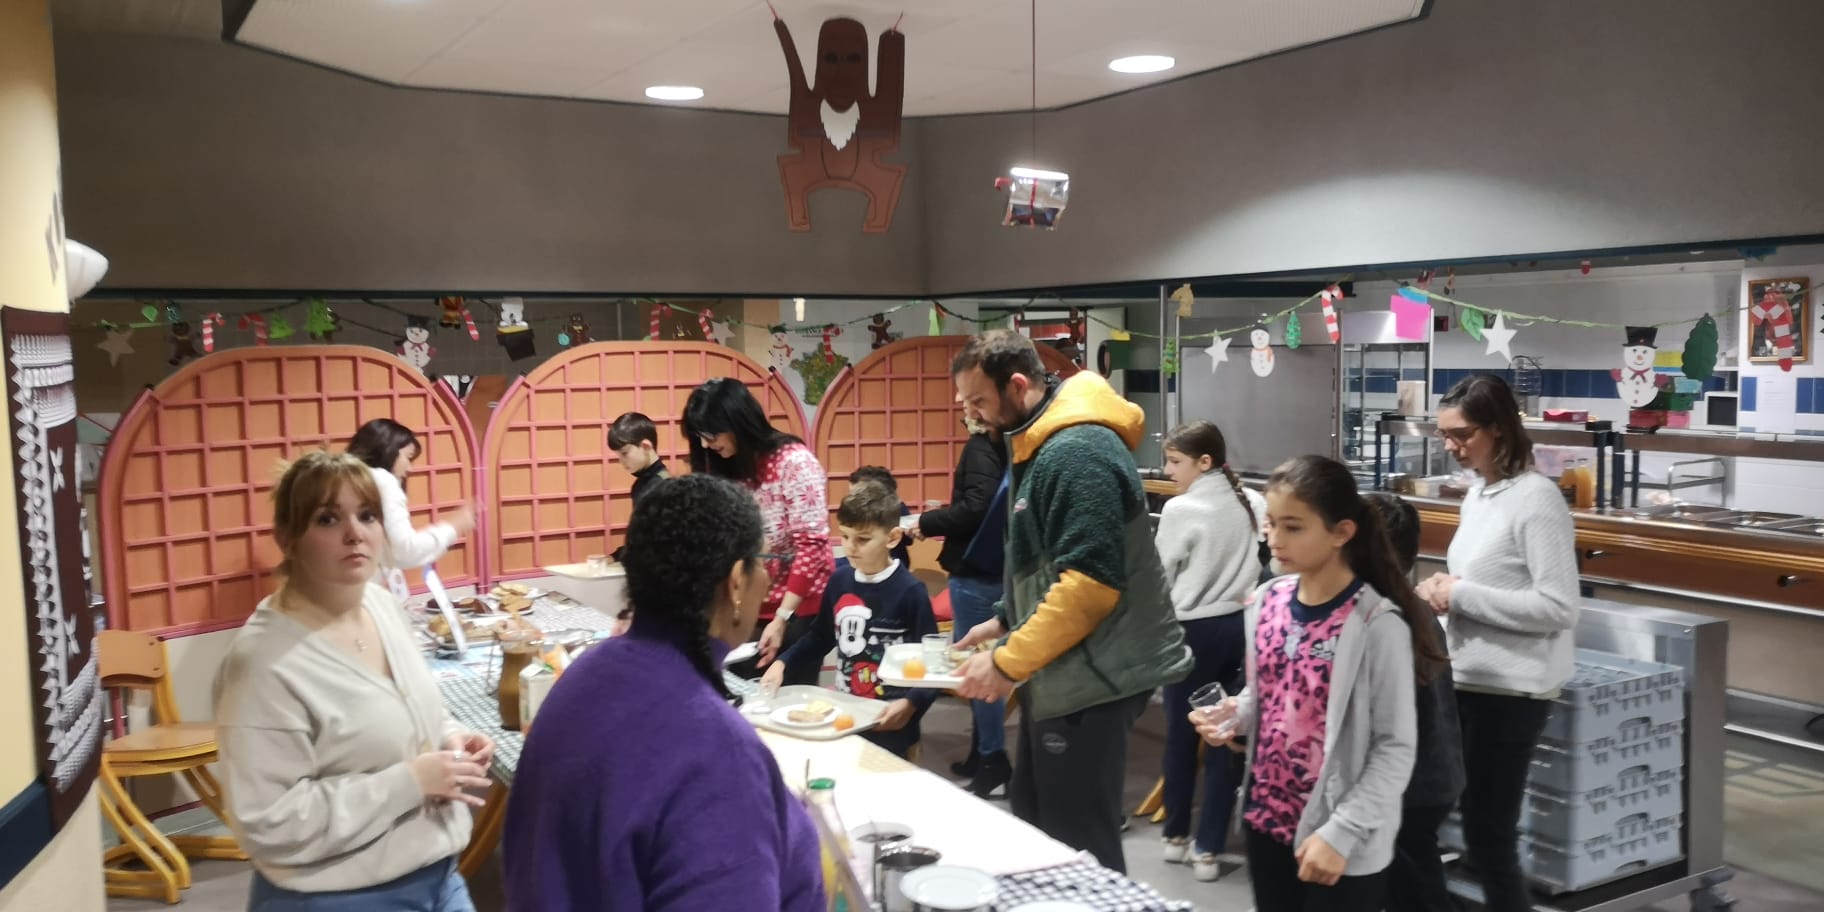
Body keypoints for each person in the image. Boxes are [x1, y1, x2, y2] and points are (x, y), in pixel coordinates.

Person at [503, 474, 824, 912]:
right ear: (734, 582)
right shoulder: (716, 748)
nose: (767, 578)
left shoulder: (583, 678)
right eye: (761, 560)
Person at [949, 329, 1192, 873]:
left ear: (1018, 385)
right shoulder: (1038, 442)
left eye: (979, 402)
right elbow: (1050, 559)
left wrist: (1007, 662)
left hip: (1095, 674)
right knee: (1037, 815)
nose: (974, 417)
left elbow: (1089, 585)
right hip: (1064, 670)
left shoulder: (1077, 451)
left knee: (1078, 840)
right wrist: (1004, 620)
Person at [212, 451, 493, 911]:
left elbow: (419, 708)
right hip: (337, 895)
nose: (355, 534)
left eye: (367, 516)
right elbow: (270, 821)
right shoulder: (263, 663)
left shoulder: (381, 606)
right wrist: (409, 783)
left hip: (439, 874)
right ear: (287, 538)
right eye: (327, 518)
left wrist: (453, 737)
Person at [1193, 455, 1439, 912]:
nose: (1275, 539)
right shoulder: (1267, 601)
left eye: (1294, 527)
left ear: (1341, 532)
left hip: (1337, 837)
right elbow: (1268, 695)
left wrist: (1342, 832)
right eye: (1270, 524)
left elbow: (1395, 748)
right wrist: (1237, 714)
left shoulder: (1375, 625)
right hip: (1266, 822)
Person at [1418, 373, 1578, 912]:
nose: (1450, 446)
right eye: (1444, 434)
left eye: (1461, 434)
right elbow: (1485, 581)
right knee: (1442, 824)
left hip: (1510, 694)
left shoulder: (1537, 500)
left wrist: (1459, 594)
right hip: (1467, 681)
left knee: (1489, 839)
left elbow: (1557, 607)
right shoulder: (1481, 494)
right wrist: (1444, 592)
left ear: (1499, 430)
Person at [1152, 420, 1263, 880]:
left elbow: (1159, 576)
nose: (1167, 470)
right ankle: (1209, 848)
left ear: (1204, 462)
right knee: (1227, 737)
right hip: (1242, 628)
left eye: (1174, 462)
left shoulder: (1181, 509)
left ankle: (1176, 834)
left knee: (1181, 737)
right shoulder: (1251, 500)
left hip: (1192, 632)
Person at [765, 481, 938, 759]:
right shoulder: (839, 581)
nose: (850, 547)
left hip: (891, 722)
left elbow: (932, 663)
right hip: (847, 713)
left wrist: (910, 702)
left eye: (863, 539)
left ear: (892, 538)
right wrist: (783, 662)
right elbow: (820, 636)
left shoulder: (910, 591)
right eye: (845, 537)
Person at [682, 378, 834, 685]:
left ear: (737, 422)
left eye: (710, 434)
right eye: (699, 436)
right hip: (746, 603)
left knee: (786, 701)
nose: (704, 444)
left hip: (797, 606)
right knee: (739, 696)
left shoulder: (795, 463)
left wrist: (782, 618)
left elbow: (811, 546)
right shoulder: (727, 466)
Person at [1365, 492, 1464, 912]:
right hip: (1428, 778)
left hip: (1412, 786)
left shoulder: (1391, 620)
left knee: (1415, 887)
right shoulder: (1406, 608)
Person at [911, 410, 1011, 797]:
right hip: (995, 568)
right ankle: (980, 751)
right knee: (979, 664)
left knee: (978, 667)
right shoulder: (1006, 446)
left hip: (976, 571)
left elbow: (976, 507)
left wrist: (927, 521)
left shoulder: (981, 447)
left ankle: (993, 758)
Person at [345, 418, 474, 604]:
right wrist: (455, 525)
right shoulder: (382, 481)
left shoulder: (346, 477)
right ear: (388, 451)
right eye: (408, 457)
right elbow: (406, 550)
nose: (410, 467)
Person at [608, 411, 670, 563]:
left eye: (625, 453)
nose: (621, 461)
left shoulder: (663, 485)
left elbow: (658, 540)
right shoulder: (641, 484)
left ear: (646, 446)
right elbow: (640, 537)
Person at [848, 465, 912, 567]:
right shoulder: (857, 512)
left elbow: (909, 539)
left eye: (858, 495)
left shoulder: (897, 509)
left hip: (888, 563)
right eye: (851, 495)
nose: (852, 499)